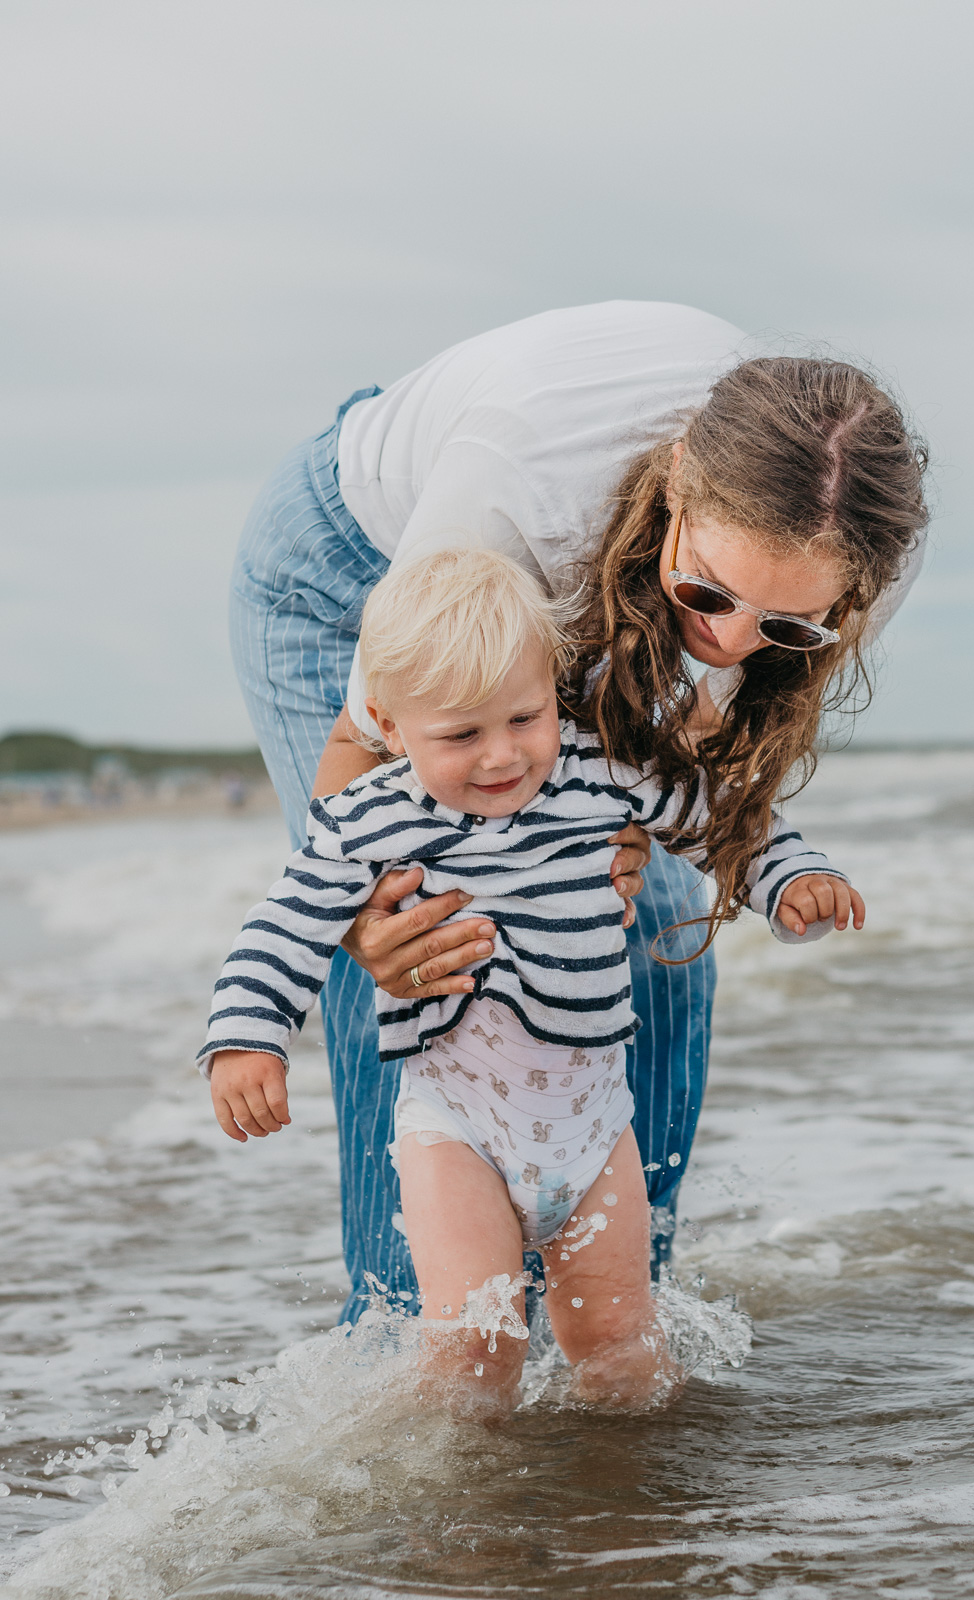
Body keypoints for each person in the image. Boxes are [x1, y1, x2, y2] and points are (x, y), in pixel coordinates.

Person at [228, 301, 928, 1321]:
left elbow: (692, 772)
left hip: (601, 574)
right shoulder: (520, 505)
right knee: (437, 931)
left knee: (650, 906)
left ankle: (618, 1310)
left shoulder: (849, 541)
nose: (732, 644)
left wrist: (674, 835)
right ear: (680, 483)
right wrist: (365, 916)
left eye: (784, 624)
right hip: (344, 569)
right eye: (710, 595)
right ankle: (419, 1339)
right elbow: (361, 780)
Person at [205, 548, 863, 1412]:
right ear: (388, 726)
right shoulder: (373, 817)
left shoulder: (600, 772)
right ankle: (465, 1531)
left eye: (524, 717)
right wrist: (248, 1037)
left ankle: (616, 1513)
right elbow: (286, 922)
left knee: (621, 1344)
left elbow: (723, 816)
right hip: (458, 1125)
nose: (501, 756)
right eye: (460, 735)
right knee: (473, 1347)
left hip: (593, 1129)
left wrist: (789, 877)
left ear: (553, 688)